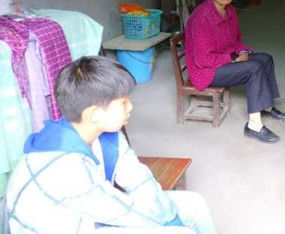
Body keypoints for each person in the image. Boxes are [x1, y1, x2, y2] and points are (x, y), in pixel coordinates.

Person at [5, 56, 217, 234]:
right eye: (123, 102)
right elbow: (119, 210)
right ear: (94, 114)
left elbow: (139, 180)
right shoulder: (62, 167)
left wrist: (169, 216)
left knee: (193, 203)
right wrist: (171, 223)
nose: (131, 107)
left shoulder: (105, 133)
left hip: (90, 215)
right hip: (70, 226)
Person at [185, 0, 285, 144]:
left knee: (265, 59)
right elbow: (202, 60)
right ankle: (254, 126)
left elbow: (236, 41)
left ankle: (266, 105)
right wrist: (232, 59)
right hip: (206, 71)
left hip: (225, 58)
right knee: (254, 68)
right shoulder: (202, 17)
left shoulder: (230, 10)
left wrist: (243, 52)